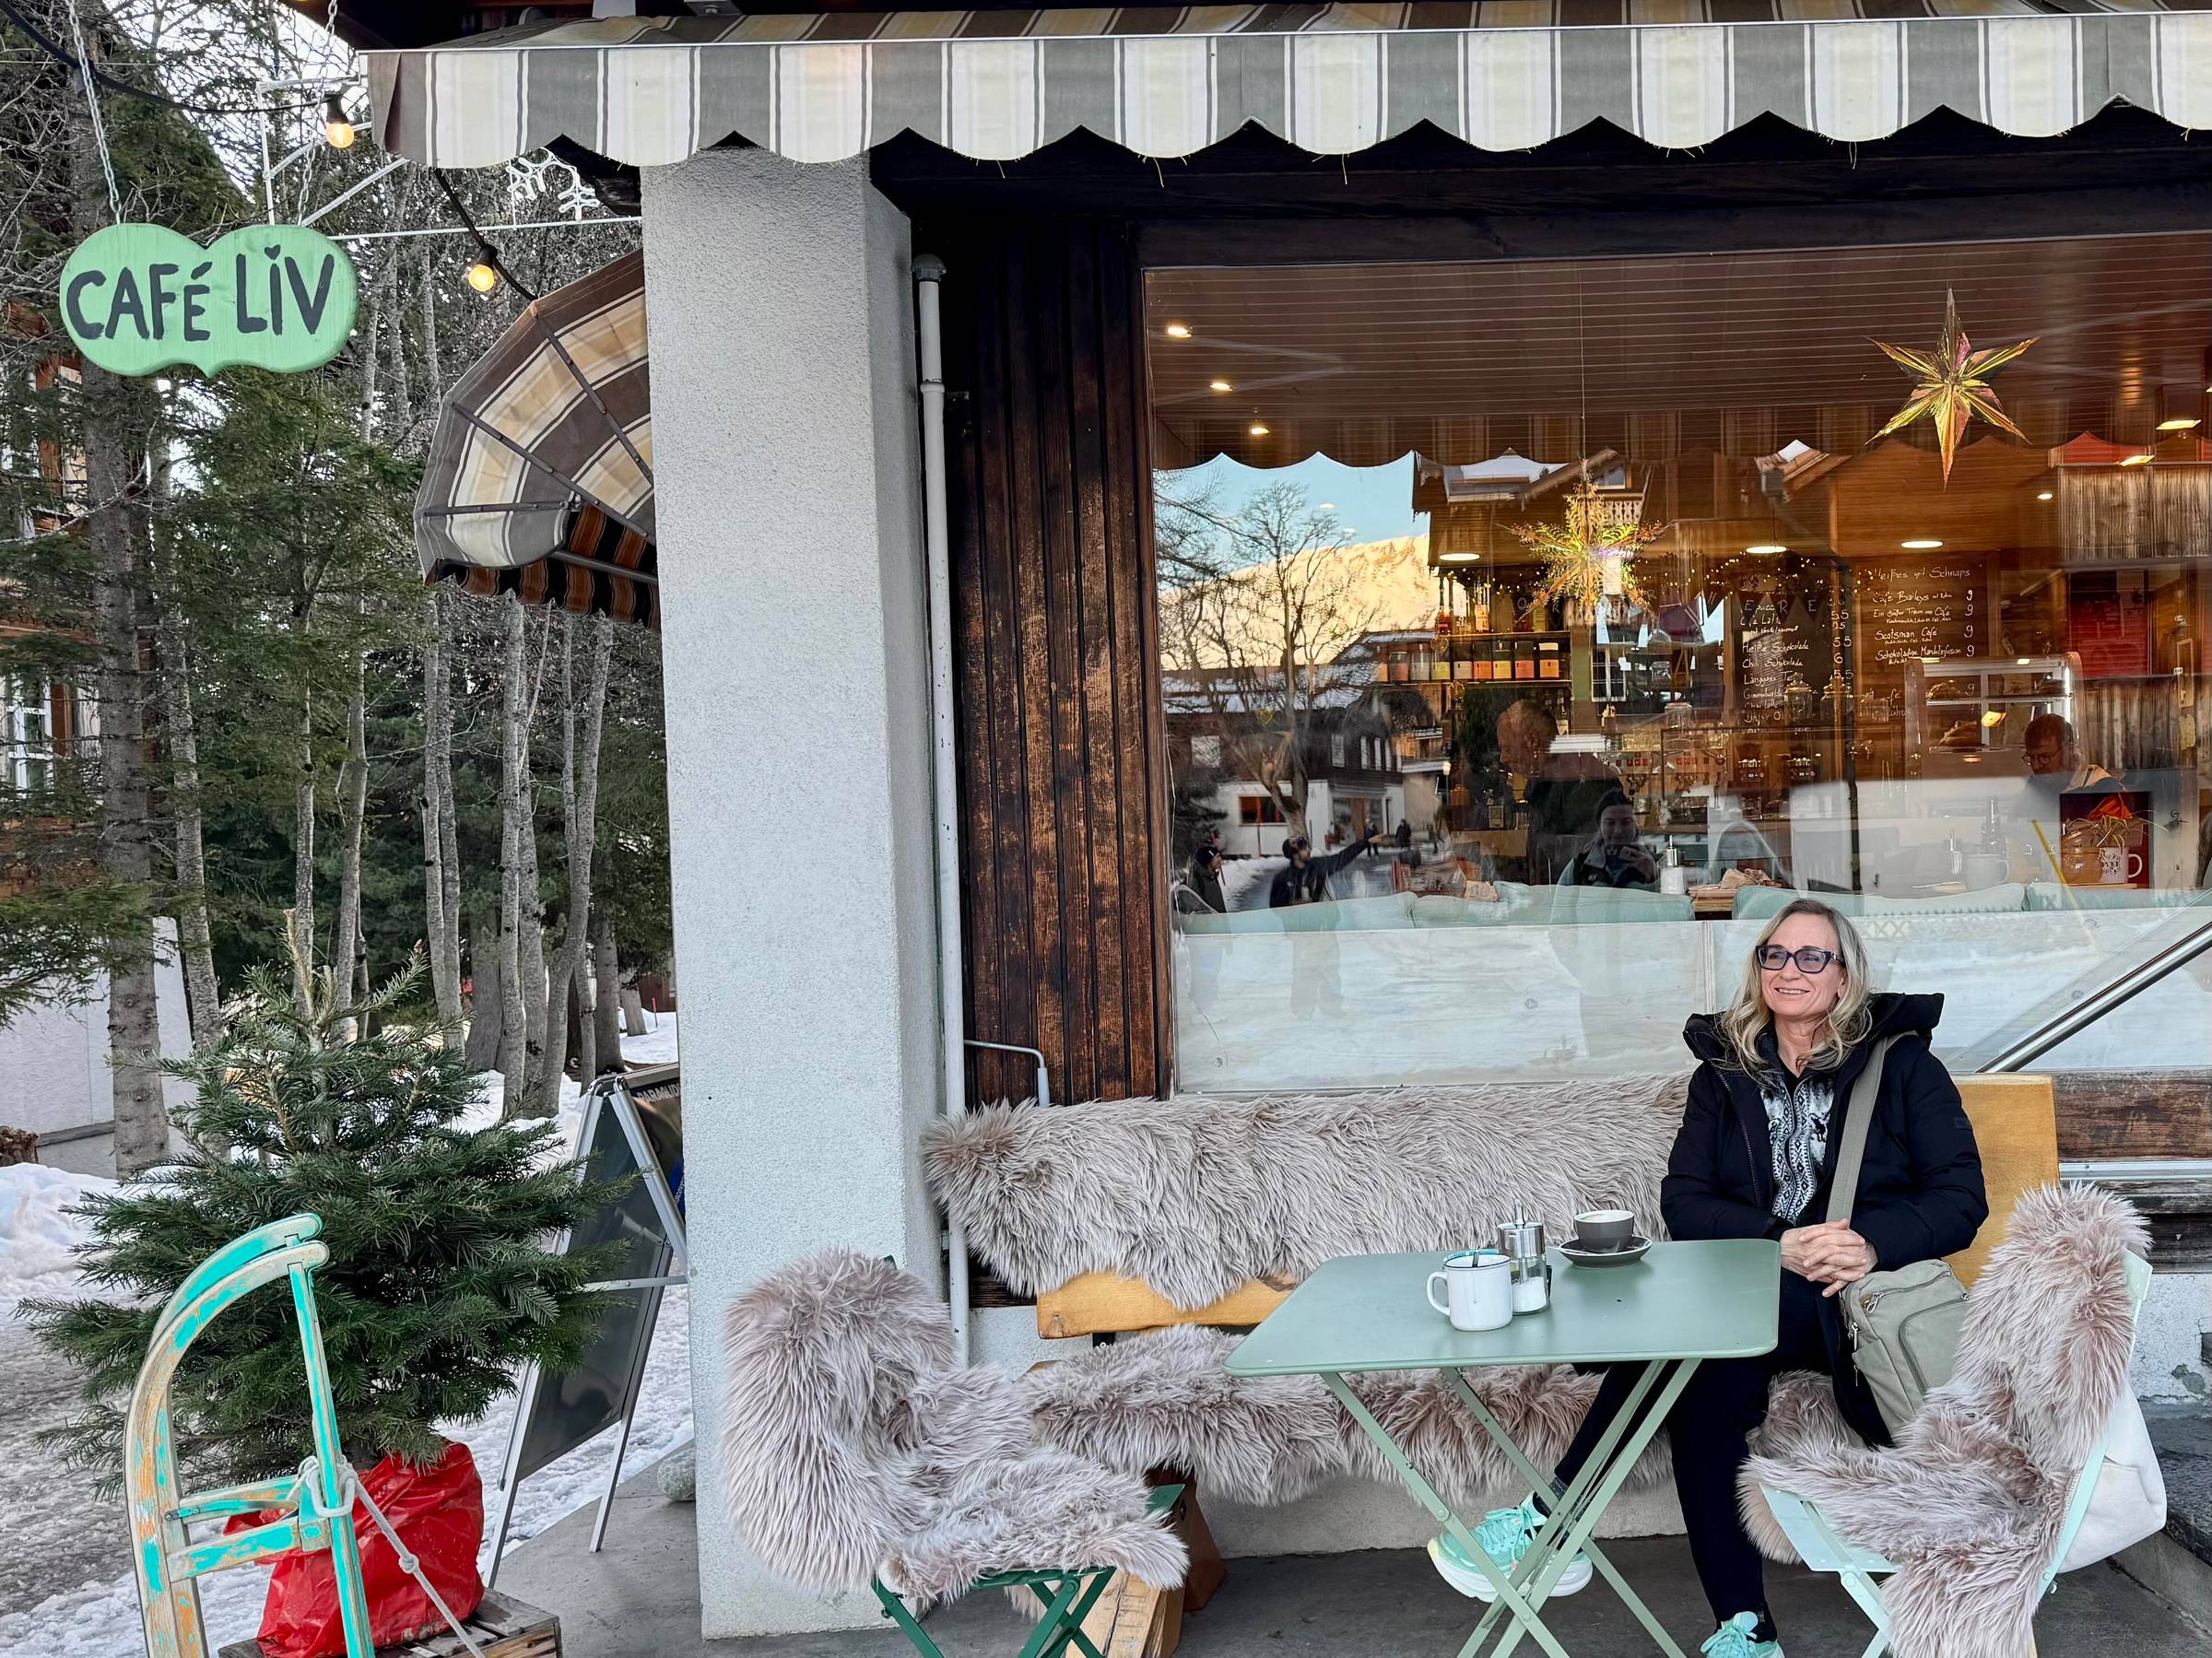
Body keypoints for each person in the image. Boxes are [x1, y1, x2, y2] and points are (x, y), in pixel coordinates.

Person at [1428, 899, 1986, 1658]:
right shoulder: (1725, 1073)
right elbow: (1684, 1200)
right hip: (1754, 1295)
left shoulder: (1903, 1066)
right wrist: (1776, 1241)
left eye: (1811, 956)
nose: (1791, 971)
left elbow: (1961, 1198)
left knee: (1687, 1340)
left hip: (1860, 1309)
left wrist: (1867, 1242)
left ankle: (1551, 1520)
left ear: (1845, 975)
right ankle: (1745, 1629)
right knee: (1700, 1383)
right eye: (1775, 955)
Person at [1497, 699, 1625, 883]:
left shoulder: (1583, 783)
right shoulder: (1547, 782)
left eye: (1507, 748)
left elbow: (1574, 864)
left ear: (1532, 741)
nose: (1503, 758)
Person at [1556, 791, 1658, 890]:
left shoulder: (1654, 863)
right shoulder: (1580, 865)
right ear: (1599, 825)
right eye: (1610, 823)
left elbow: (1666, 901)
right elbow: (1561, 903)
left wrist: (1654, 875)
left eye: (1626, 822)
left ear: (1636, 826)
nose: (1618, 830)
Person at [1268, 829, 1375, 907]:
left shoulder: (1318, 866)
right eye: (1304, 849)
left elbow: (1342, 858)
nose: (1309, 850)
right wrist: (1294, 905)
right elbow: (1275, 908)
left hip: (1320, 928)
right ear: (1295, 855)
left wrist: (1366, 842)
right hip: (1296, 931)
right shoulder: (1281, 879)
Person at [2023, 712, 2114, 794]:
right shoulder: (2036, 785)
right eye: (2031, 758)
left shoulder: (2101, 787)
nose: (2035, 766)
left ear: (2068, 751)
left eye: (2044, 757)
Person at [1175, 846, 1227, 915]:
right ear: (1208, 859)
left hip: (1217, 922)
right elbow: (1195, 907)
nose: (1220, 859)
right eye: (1217, 857)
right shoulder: (1196, 880)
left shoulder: (1210, 877)